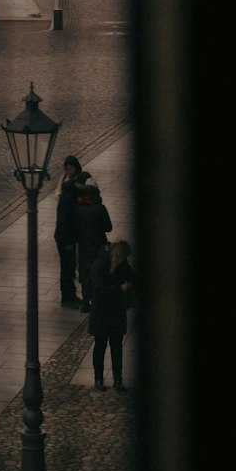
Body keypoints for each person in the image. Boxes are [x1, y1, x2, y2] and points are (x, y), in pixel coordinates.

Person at [89, 239, 134, 390]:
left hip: (115, 312)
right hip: (102, 312)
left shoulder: (122, 264)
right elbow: (98, 288)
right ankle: (98, 378)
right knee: (100, 346)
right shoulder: (100, 264)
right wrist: (120, 289)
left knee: (116, 348)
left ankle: (118, 379)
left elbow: (132, 277)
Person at [72, 172, 113, 312]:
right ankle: (96, 299)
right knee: (98, 271)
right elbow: (109, 227)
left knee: (84, 273)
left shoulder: (78, 209)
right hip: (98, 246)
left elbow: (75, 228)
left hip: (83, 246)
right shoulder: (100, 208)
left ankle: (85, 303)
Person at [54, 155, 85, 307]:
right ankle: (67, 298)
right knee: (67, 268)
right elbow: (64, 220)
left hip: (67, 236)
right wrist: (68, 241)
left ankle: (70, 295)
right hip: (65, 238)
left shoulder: (68, 194)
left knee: (69, 267)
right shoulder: (68, 197)